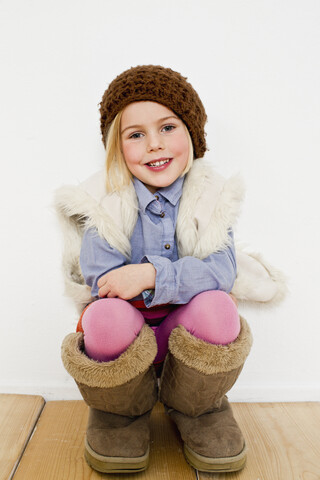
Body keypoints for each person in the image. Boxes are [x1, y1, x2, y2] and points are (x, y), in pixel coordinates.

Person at [55, 65, 286, 474]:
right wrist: (181, 277)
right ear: (117, 146)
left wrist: (150, 276)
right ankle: (121, 414)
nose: (154, 146)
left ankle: (199, 409)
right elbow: (103, 280)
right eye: (136, 134)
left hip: (186, 333)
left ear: (192, 135)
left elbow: (222, 270)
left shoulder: (212, 197)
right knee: (102, 316)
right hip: (129, 334)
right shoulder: (101, 201)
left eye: (167, 127)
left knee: (219, 307)